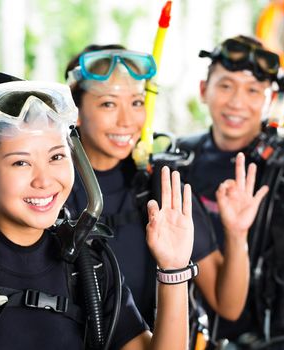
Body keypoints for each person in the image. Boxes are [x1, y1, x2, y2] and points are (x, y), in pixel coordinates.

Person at [0, 80, 197, 349]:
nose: (43, 180)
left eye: (56, 157)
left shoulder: (91, 266)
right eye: (21, 163)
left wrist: (173, 270)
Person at [64, 44, 268, 331]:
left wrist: (236, 234)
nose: (127, 121)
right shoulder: (51, 186)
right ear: (76, 112)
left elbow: (228, 304)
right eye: (108, 103)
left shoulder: (161, 184)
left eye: (136, 103)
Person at [177, 35, 284, 349]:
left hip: (276, 340)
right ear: (204, 91)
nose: (236, 102)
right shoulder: (182, 158)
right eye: (226, 85)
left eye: (253, 90)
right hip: (199, 337)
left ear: (270, 99)